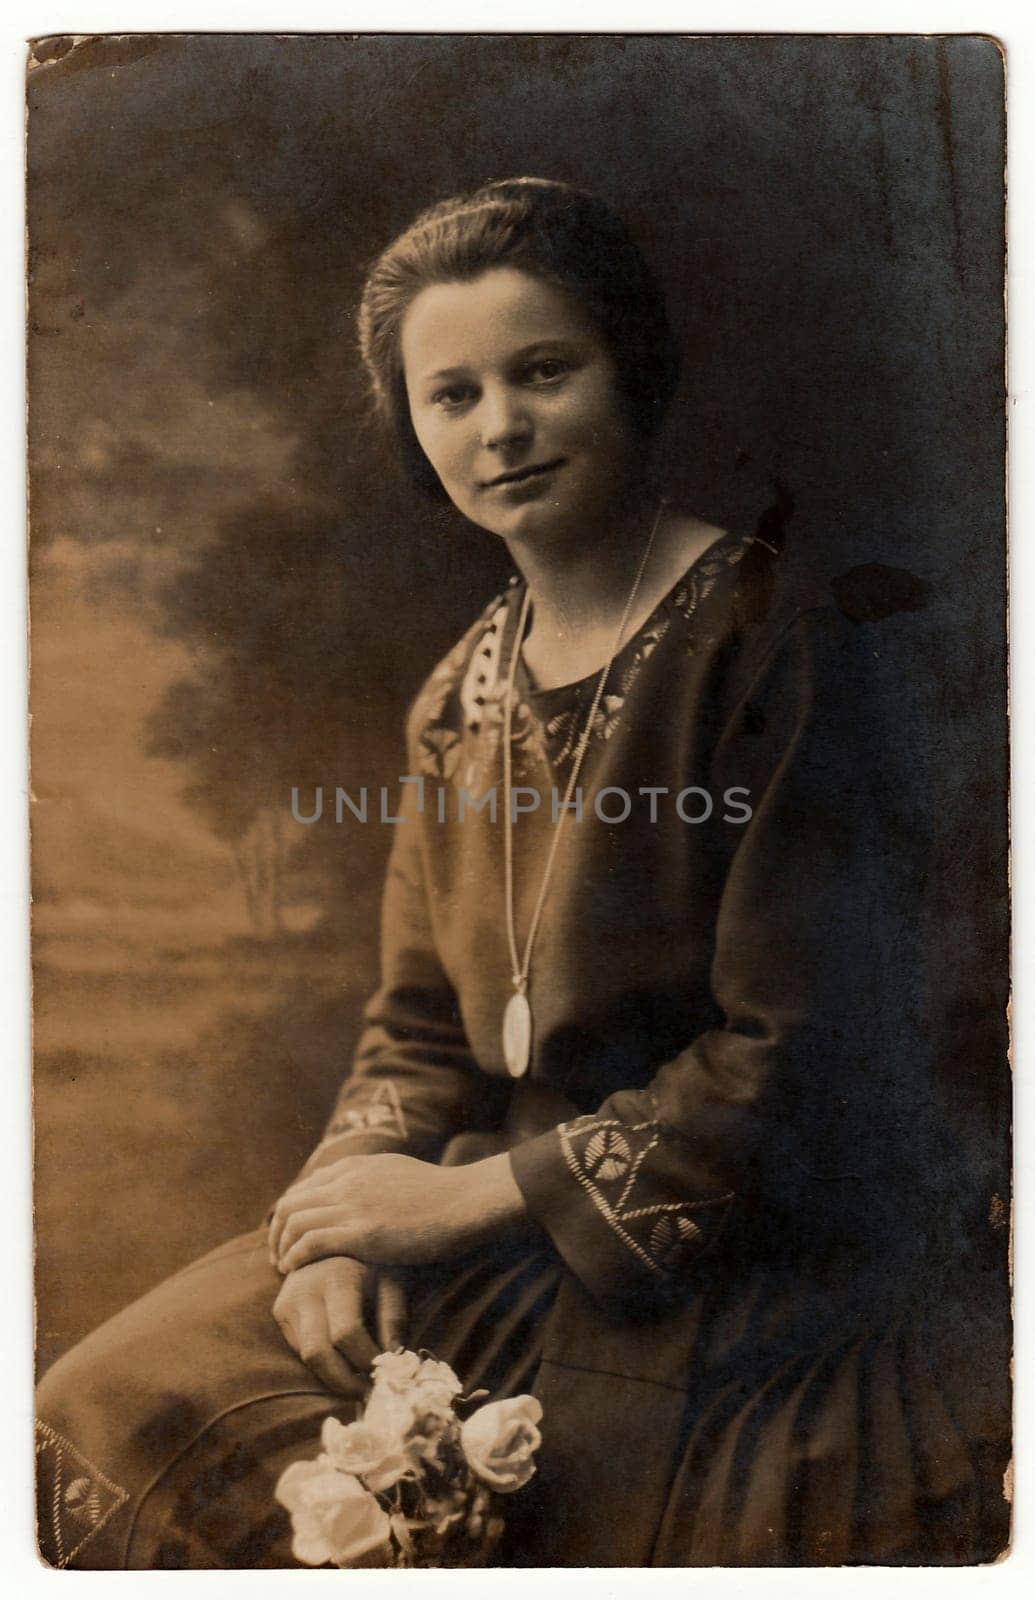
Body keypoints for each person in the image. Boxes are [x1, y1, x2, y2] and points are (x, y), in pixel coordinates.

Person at [36, 177, 1005, 1569]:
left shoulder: (779, 643)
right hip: (493, 1203)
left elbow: (806, 1056)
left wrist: (459, 1204)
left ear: (634, 371)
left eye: (545, 371)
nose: (501, 426)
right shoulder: (457, 693)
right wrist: (342, 1222)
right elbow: (422, 1021)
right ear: (415, 428)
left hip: (739, 1235)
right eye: (453, 394)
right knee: (105, 1402)